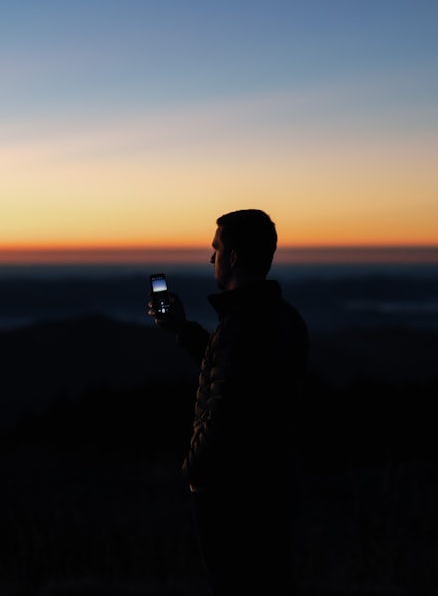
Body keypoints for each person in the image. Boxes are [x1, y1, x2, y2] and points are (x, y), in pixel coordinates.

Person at [149, 209, 309, 595]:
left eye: (216, 248)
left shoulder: (242, 326)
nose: (211, 258)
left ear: (234, 257)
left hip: (233, 495)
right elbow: (235, 376)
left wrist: (193, 475)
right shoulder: (281, 318)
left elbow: (225, 413)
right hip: (273, 485)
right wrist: (184, 330)